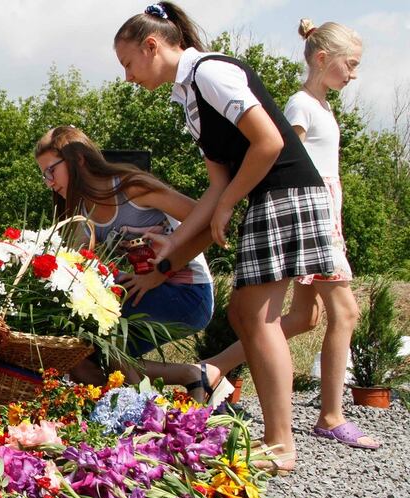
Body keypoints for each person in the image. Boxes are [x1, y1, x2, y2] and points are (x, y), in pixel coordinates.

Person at [113, 2, 338, 473]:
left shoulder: (211, 73)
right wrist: (172, 251)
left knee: (256, 317)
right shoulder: (188, 98)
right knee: (246, 313)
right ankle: (278, 440)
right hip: (268, 195)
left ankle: (281, 445)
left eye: (129, 63)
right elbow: (216, 184)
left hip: (285, 193)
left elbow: (269, 142)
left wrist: (233, 202)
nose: (129, 77)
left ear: (152, 46)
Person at [193, 20, 378, 449]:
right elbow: (286, 162)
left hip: (326, 213)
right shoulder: (299, 105)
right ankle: (330, 414)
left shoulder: (323, 106)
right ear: (321, 58)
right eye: (349, 65)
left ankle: (214, 367)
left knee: (304, 317)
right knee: (343, 312)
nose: (353, 75)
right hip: (306, 215)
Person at [34, 126, 227, 404]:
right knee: (78, 353)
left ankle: (144, 411)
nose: (49, 182)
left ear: (78, 159)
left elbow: (211, 222)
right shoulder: (83, 211)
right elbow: (75, 264)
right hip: (147, 290)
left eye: (51, 171)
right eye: (44, 176)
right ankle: (184, 379)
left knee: (103, 337)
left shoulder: (131, 187)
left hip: (188, 294)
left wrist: (159, 274)